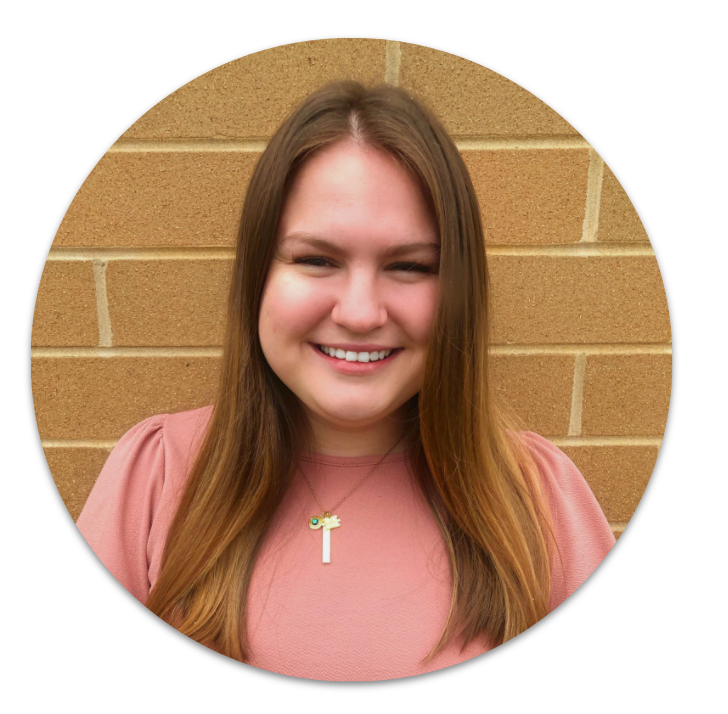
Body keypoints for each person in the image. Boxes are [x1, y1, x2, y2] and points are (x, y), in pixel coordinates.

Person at [77, 80, 615, 682]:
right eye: (316, 260)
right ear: (258, 278)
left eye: (409, 266)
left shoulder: (540, 501)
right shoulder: (153, 478)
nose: (360, 314)